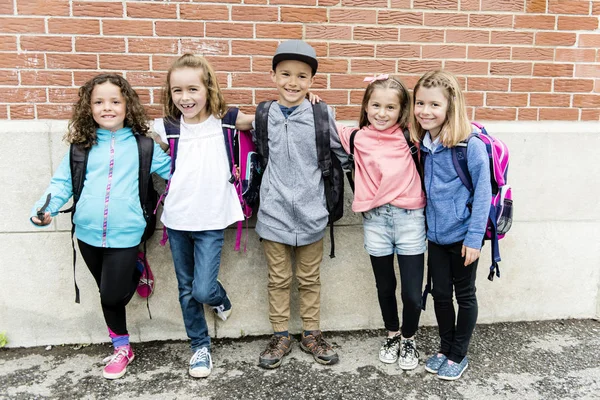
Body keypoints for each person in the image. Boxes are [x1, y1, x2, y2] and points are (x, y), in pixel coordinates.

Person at [30, 74, 171, 380]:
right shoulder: (80, 148)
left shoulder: (143, 146)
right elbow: (61, 184)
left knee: (110, 296)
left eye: (115, 101)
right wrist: (44, 210)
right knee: (105, 290)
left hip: (127, 232)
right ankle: (122, 340)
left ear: (127, 106)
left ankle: (122, 347)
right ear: (88, 107)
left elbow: (176, 173)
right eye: (98, 102)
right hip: (87, 233)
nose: (107, 107)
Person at [153, 53, 253, 378]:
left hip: (212, 219)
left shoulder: (225, 120)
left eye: (193, 89)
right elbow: (138, 137)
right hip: (177, 219)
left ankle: (217, 295)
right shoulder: (167, 127)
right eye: (177, 91)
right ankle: (200, 347)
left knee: (202, 290)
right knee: (186, 288)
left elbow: (263, 119)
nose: (185, 98)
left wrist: (305, 101)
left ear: (208, 88)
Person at [255, 40, 347, 369]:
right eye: (285, 74)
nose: (293, 82)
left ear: (311, 82)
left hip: (312, 212)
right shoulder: (263, 114)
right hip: (274, 212)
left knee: (309, 279)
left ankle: (311, 334)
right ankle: (281, 335)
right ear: (273, 76)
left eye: (302, 76)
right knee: (278, 279)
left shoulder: (322, 114)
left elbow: (343, 152)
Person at [335, 75, 426, 370]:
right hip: (375, 221)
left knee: (412, 293)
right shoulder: (355, 137)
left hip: (410, 219)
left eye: (390, 107)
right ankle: (392, 334)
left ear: (402, 112)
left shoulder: (412, 137)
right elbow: (321, 123)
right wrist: (314, 102)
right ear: (366, 105)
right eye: (376, 105)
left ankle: (409, 339)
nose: (382, 113)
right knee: (385, 285)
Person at [410, 70, 491, 380]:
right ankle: (445, 348)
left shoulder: (469, 145)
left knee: (465, 294)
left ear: (450, 107)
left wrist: (473, 239)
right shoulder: (423, 143)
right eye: (420, 103)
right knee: (440, 294)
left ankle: (459, 354)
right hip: (435, 235)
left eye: (434, 105)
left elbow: (483, 194)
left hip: (463, 236)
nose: (425, 111)